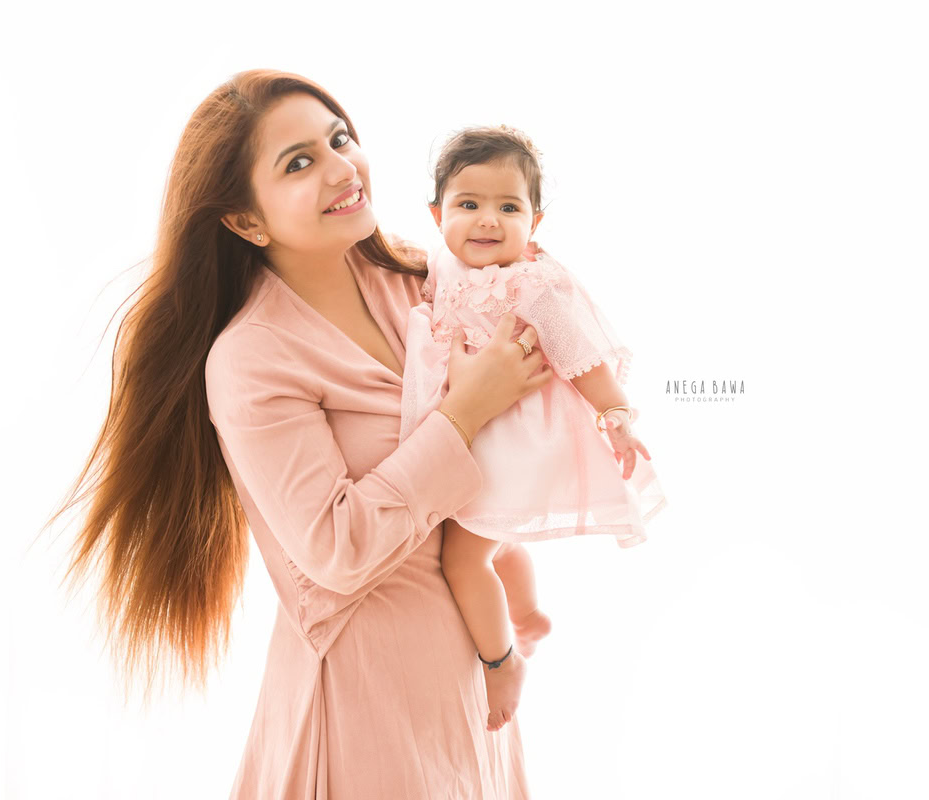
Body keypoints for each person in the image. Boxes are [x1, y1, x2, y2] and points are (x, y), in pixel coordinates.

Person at [46, 68, 555, 798]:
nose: (342, 168)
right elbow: (336, 549)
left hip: (473, 690)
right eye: (299, 162)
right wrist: (466, 413)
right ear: (246, 222)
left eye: (339, 138)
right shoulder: (252, 358)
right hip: (364, 703)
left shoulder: (417, 279)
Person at [399, 125, 669, 733]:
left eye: (508, 207)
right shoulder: (440, 265)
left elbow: (580, 354)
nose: (487, 220)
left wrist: (615, 413)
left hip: (510, 438)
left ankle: (502, 662)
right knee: (497, 537)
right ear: (437, 214)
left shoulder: (532, 282)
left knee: (463, 558)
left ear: (535, 223)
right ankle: (527, 614)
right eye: (469, 205)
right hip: (475, 427)